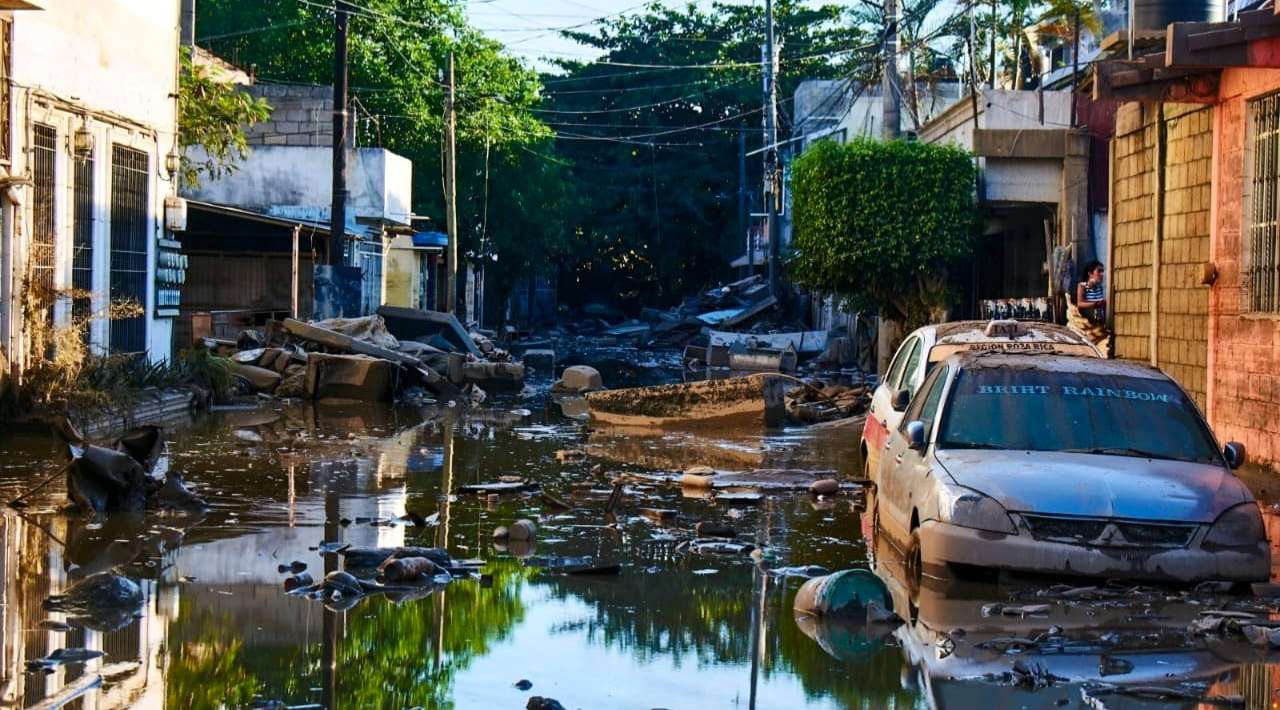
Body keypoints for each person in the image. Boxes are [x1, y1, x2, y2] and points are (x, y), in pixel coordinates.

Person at [1076, 260, 1107, 325]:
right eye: (1099, 271)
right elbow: (1080, 304)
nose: (1102, 274)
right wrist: (1095, 304)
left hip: (1098, 322)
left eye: (1102, 271)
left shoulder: (1099, 287)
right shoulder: (1082, 286)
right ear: (1090, 273)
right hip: (1085, 323)